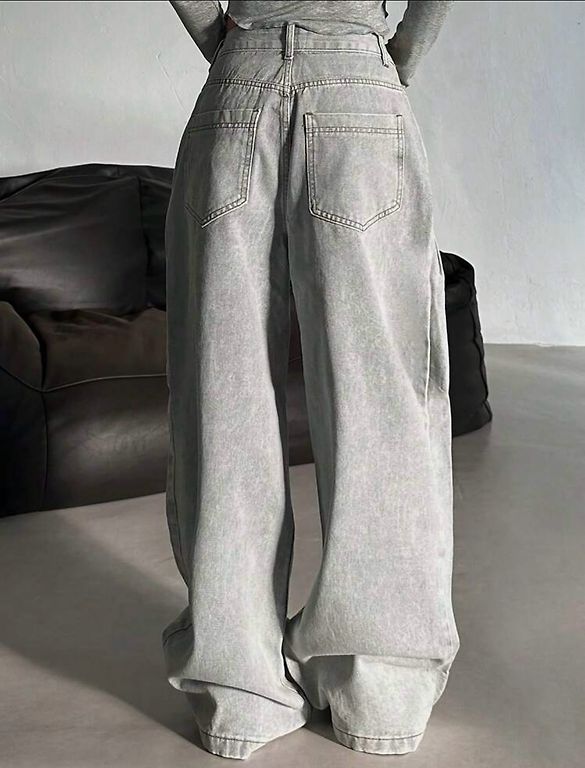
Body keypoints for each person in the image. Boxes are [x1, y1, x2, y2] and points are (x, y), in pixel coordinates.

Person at [163, 0, 459, 760]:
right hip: (360, 81)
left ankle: (238, 696)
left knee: (222, 400)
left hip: (238, 86)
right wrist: (391, 57)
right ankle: (378, 689)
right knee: (383, 404)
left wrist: (231, 49)